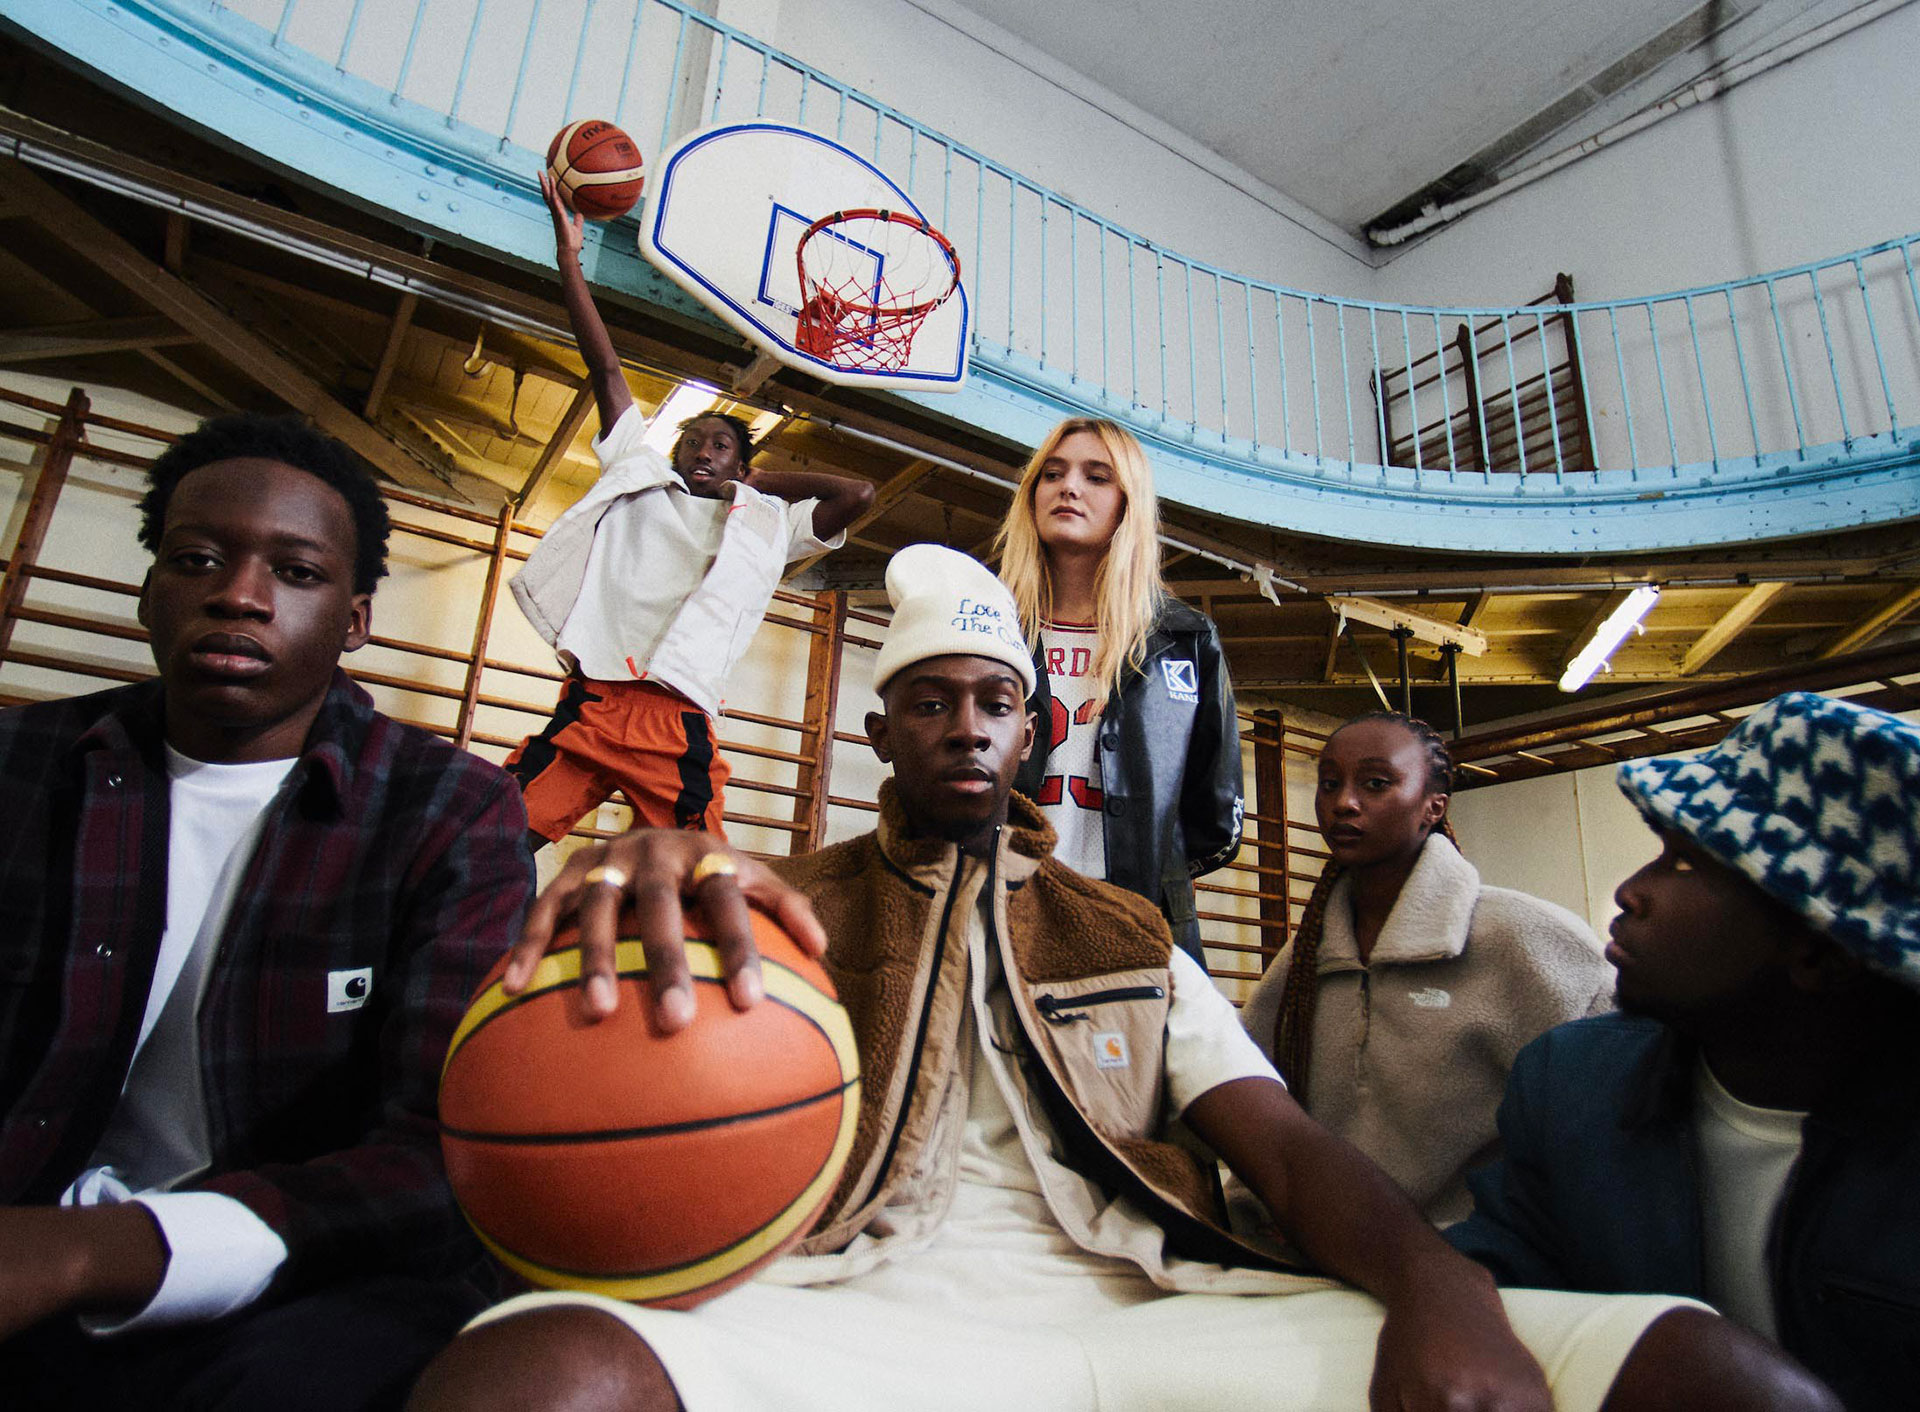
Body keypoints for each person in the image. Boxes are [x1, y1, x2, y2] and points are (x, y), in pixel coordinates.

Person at [409, 545, 1836, 1412]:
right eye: (929, 702)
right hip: (850, 1311)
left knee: (1700, 1371)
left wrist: (1439, 1286)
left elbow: (1284, 1146)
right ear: (880, 731)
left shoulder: (1126, 933)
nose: (966, 727)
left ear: (1031, 733)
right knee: (529, 1371)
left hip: (1160, 1307)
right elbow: (605, 1057)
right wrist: (638, 862)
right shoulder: (783, 906)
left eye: (996, 702)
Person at [0, 414, 534, 1410]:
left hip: (287, 1277)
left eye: (296, 572)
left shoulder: (449, 809)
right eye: (197, 559)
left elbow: (447, 1151)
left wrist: (88, 1249)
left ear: (355, 620)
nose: (240, 595)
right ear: (149, 590)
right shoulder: (21, 764)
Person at [1445, 691, 1920, 1412]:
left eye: (1688, 865)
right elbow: (1496, 1278)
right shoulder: (1572, 1086)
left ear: (1819, 951)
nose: (1631, 891)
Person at [505, 172, 874, 853]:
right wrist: (569, 260)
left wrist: (762, 479)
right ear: (673, 453)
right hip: (594, 700)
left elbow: (859, 495)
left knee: (694, 883)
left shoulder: (767, 524)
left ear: (740, 464)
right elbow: (606, 371)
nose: (703, 450)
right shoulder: (639, 477)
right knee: (489, 838)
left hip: (677, 721)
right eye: (692, 441)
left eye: (720, 445)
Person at [1239, 712, 1612, 1222]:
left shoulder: (1526, 937)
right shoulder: (1302, 964)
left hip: (1479, 1252)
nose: (1344, 802)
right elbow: (1245, 1104)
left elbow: (1611, 1116)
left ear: (1433, 806)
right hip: (1320, 1252)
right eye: (1329, 784)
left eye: (1375, 783)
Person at [996, 417, 1241, 963]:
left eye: (1096, 476)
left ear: (1129, 502)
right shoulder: (987, 626)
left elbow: (1215, 815)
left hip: (1131, 925)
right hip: (1003, 913)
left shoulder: (1185, 640)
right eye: (1052, 473)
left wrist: (1148, 872)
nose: (1069, 487)